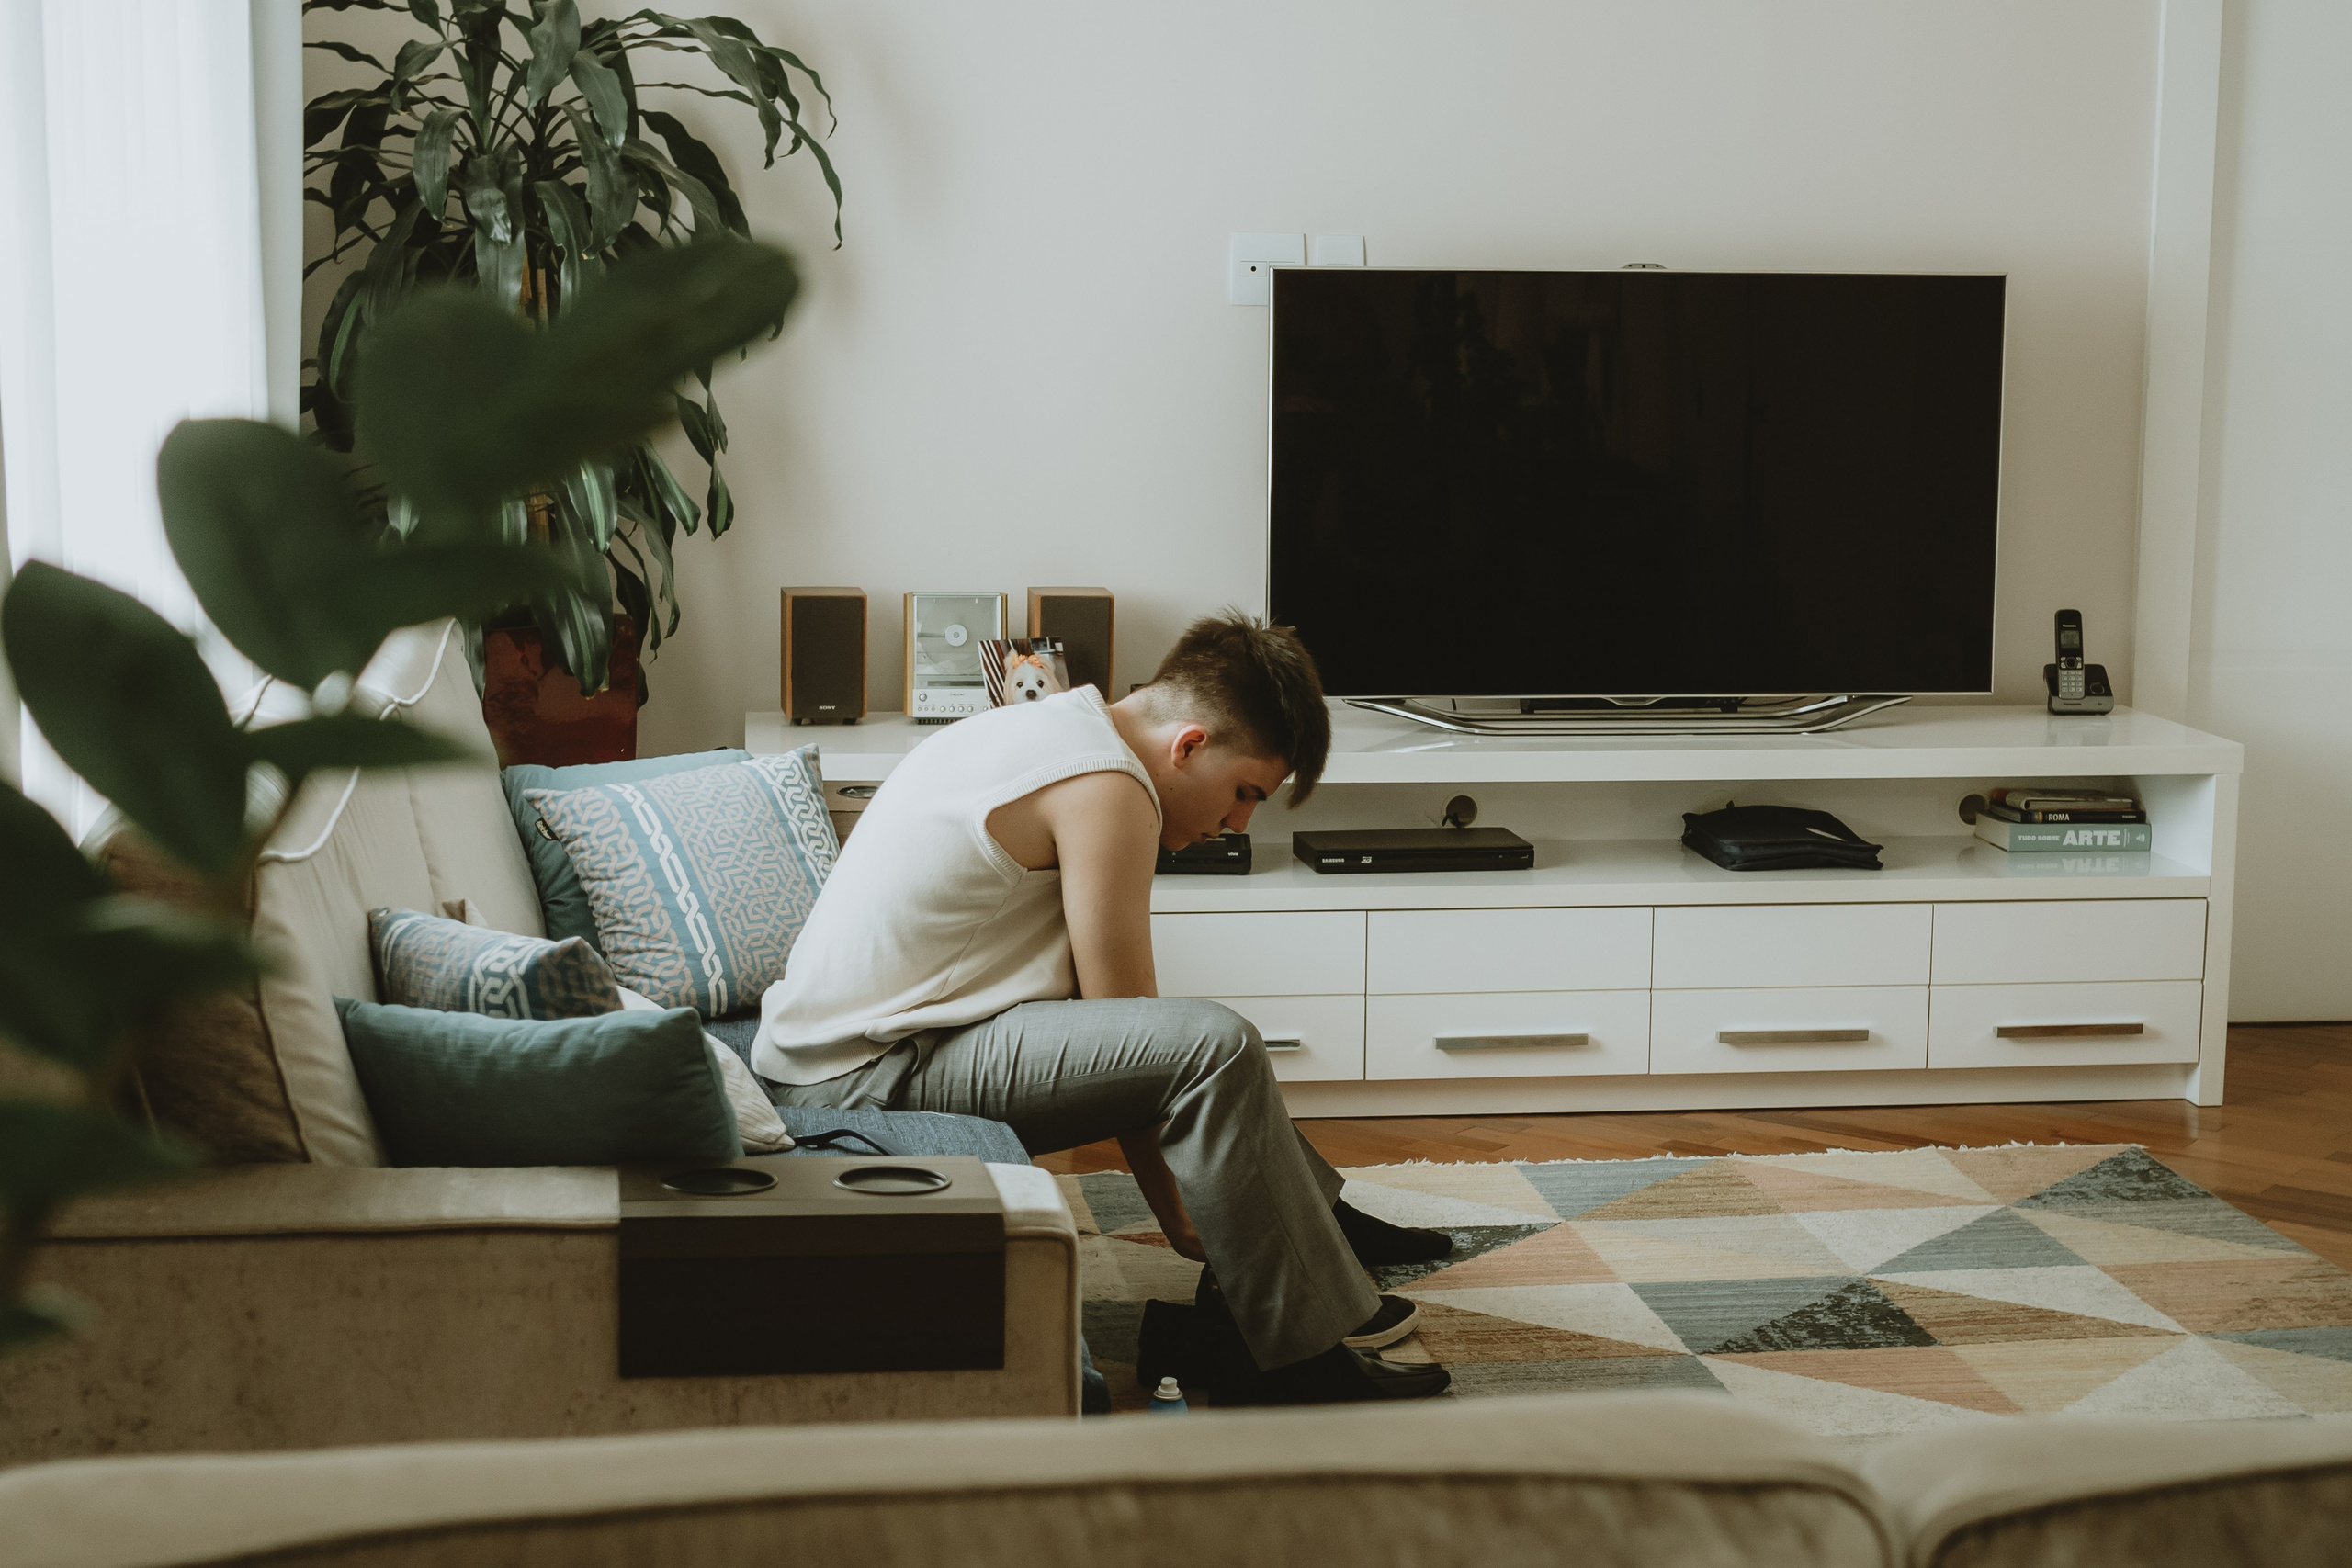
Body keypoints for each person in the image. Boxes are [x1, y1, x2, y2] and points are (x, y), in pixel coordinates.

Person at [752, 612, 1453, 1403]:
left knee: (1205, 1043)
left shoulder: (1060, 724)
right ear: (1188, 744)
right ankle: (1295, 1354)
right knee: (1212, 1043)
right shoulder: (1110, 786)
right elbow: (1134, 1022)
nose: (1235, 824)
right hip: (861, 1084)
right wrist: (1185, 1220)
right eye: (1244, 792)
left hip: (847, 1052)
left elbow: (1123, 1025)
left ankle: (1314, 1229)